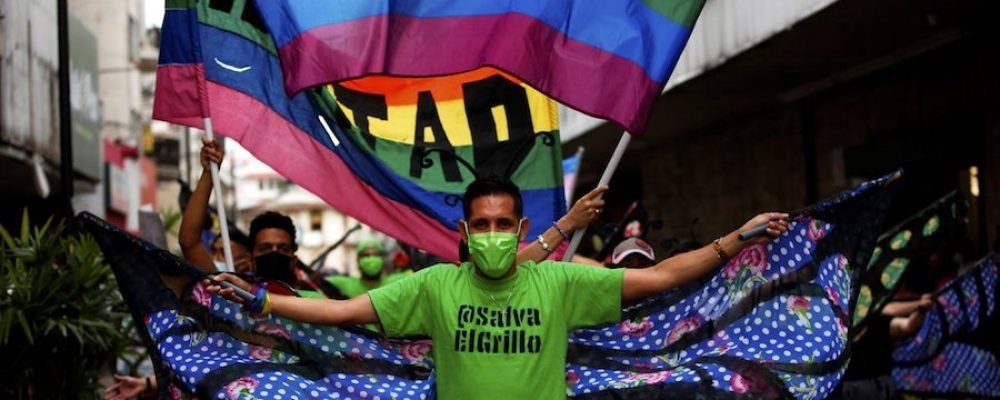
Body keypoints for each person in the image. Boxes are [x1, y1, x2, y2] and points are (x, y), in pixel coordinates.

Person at [206, 175, 788, 399]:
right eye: (479, 225)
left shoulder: (560, 281)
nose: (491, 235)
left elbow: (660, 277)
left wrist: (737, 238)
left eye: (501, 225)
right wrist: (261, 300)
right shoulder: (432, 287)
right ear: (464, 231)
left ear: (520, 229)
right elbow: (344, 313)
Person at [834, 292, 934, 400]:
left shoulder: (879, 323)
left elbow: (907, 326)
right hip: (846, 388)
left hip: (877, 387)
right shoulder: (838, 330)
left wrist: (921, 308)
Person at [178, 137, 252, 273]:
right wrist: (209, 172)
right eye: (214, 251)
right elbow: (188, 242)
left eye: (223, 253)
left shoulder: (263, 291)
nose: (215, 258)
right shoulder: (218, 284)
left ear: (247, 261)